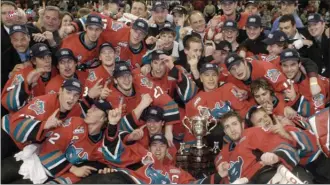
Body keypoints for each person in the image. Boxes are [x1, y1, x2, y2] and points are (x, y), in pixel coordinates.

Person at [101, 106, 224, 184]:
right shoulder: (138, 145)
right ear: (149, 149)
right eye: (149, 121)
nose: (152, 125)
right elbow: (113, 152)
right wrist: (114, 173)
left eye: (156, 121)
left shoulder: (174, 165)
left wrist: (218, 176)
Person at [214, 111, 313, 184]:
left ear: (242, 125)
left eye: (234, 124)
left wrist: (275, 156)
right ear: (225, 132)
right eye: (227, 127)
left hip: (269, 175)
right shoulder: (223, 154)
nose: (232, 129)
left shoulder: (253, 133)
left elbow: (283, 145)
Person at [1, 78, 83, 160]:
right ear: (60, 91)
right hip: (7, 134)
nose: (72, 98)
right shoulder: (43, 103)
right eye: (68, 92)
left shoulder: (76, 111)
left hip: (26, 148)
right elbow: (16, 127)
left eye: (76, 95)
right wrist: (44, 125)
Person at [105, 62, 181, 146]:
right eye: (121, 77)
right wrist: (141, 106)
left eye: (128, 75)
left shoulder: (141, 83)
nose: (126, 79)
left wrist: (168, 131)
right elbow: (121, 128)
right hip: (130, 138)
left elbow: (170, 104)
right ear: (115, 80)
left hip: (150, 126)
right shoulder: (111, 96)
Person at [247, 106, 330, 183]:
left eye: (265, 116)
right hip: (302, 175)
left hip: (321, 162)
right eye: (260, 120)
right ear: (254, 129)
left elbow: (312, 142)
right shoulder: (259, 150)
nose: (265, 120)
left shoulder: (285, 127)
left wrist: (286, 134)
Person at [1, 43, 57, 113]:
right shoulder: (23, 73)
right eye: (42, 58)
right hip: (23, 117)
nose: (47, 61)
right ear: (33, 61)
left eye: (48, 56)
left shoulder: (56, 73)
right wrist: (26, 85)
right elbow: (8, 102)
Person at [278, 49, 329, 116]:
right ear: (281, 66)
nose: (289, 69)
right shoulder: (284, 80)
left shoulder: (315, 83)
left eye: (293, 65)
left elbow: (317, 114)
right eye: (285, 65)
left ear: (299, 64)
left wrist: (295, 99)